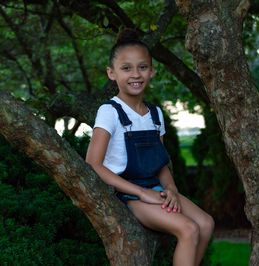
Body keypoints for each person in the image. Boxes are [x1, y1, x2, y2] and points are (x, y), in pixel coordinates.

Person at [85, 29, 214, 266]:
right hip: (126, 195)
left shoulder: (155, 114)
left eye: (142, 67)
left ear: (152, 71)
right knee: (188, 229)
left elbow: (160, 162)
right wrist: (143, 193)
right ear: (111, 73)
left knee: (205, 224)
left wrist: (172, 189)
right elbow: (93, 164)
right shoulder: (109, 112)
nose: (136, 74)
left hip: (155, 189)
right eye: (126, 68)